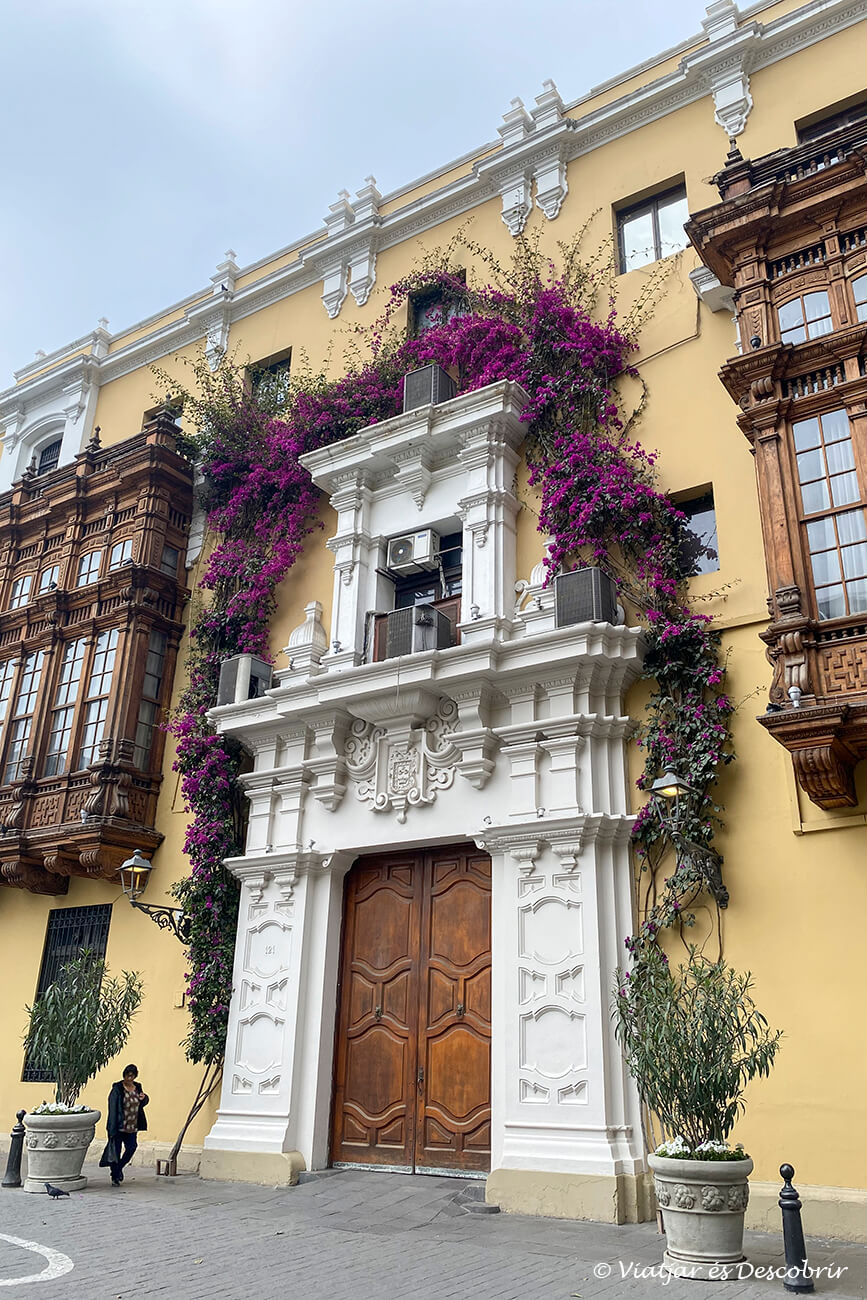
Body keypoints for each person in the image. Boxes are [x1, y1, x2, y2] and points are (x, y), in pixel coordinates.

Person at [104, 1064, 149, 1186]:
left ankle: (118, 1168)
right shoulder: (117, 1089)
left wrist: (144, 1098)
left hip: (132, 1126)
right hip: (119, 1126)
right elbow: (112, 1108)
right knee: (116, 1152)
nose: (129, 1078)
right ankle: (115, 1176)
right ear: (124, 1075)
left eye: (132, 1076)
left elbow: (142, 1102)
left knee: (131, 1147)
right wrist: (112, 1128)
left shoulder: (137, 1087)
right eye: (128, 1075)